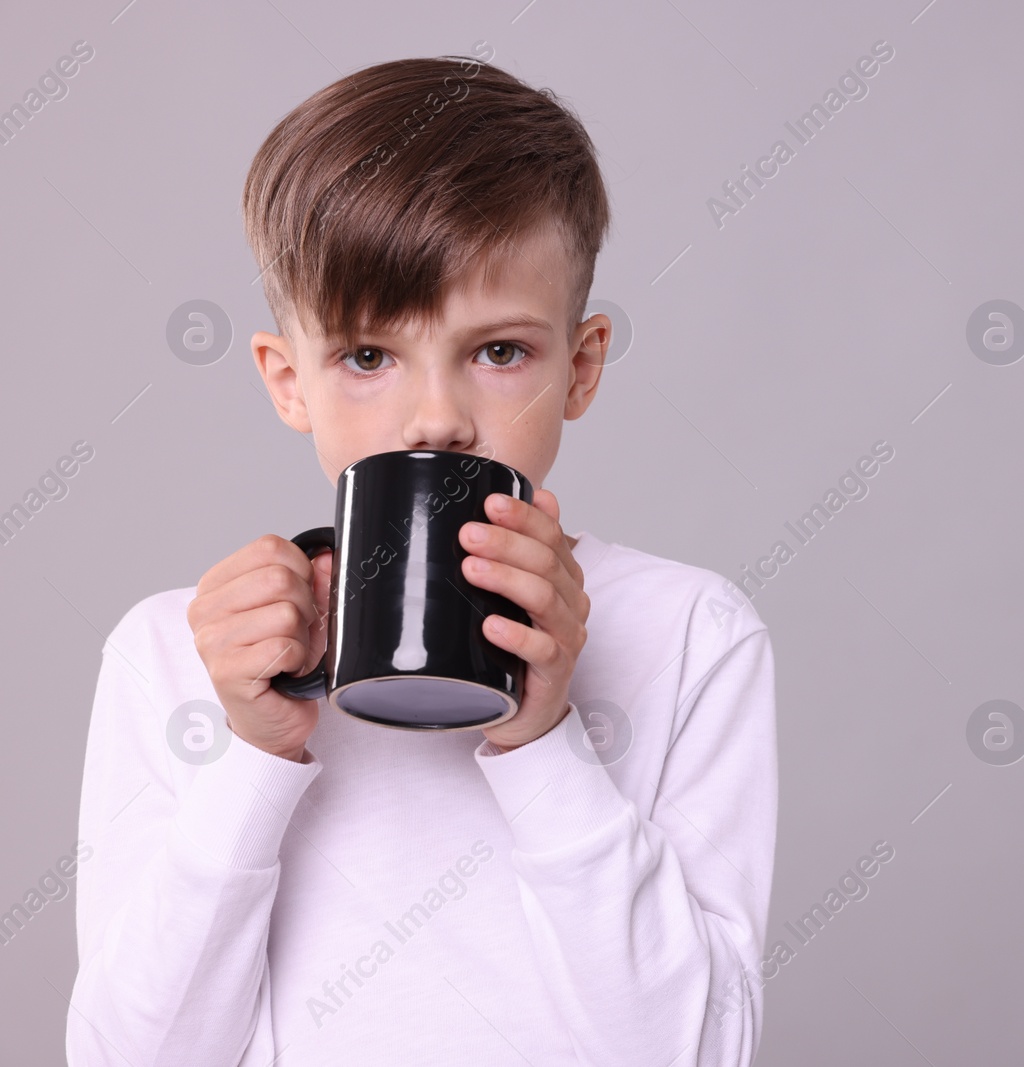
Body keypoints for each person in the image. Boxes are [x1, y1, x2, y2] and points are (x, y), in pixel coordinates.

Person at [65, 49, 777, 1066]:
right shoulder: (176, 653)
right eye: (366, 356)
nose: (436, 417)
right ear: (287, 379)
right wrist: (254, 756)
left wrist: (543, 737)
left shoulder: (694, 632)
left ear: (580, 368)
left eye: (499, 352)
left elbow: (691, 1051)